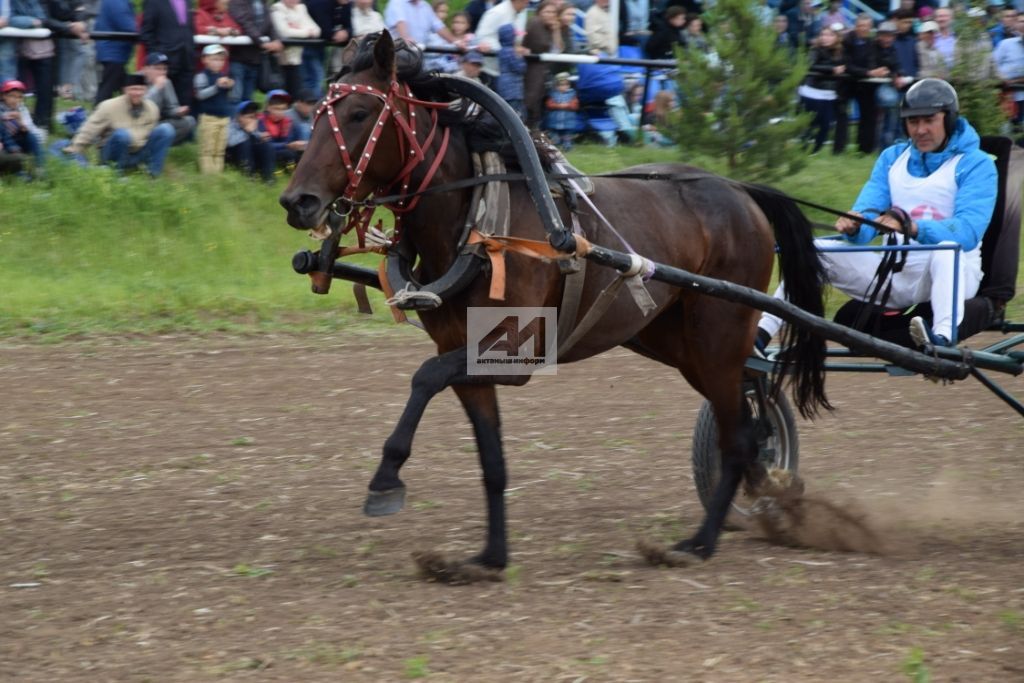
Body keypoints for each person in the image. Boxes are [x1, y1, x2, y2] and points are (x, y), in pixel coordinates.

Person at [755, 79, 997, 353]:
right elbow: (868, 213)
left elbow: (967, 231)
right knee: (817, 250)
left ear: (950, 118)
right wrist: (856, 226)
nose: (920, 130)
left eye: (929, 120)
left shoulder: (976, 164)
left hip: (954, 274)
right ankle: (760, 336)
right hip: (896, 276)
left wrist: (911, 227)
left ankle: (942, 339)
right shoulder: (892, 158)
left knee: (944, 250)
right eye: (912, 122)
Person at [60, 73, 175, 177]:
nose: (137, 93)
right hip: (112, 151)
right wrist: (75, 148)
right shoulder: (108, 106)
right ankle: (116, 174)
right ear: (125, 90)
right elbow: (90, 129)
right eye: (133, 89)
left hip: (139, 152)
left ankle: (153, 174)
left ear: (145, 90)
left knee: (166, 129)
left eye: (140, 89)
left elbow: (153, 134)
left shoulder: (152, 108)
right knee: (122, 135)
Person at [140, 0, 195, 109]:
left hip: (186, 58)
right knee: (162, 103)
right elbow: (146, 31)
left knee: (184, 104)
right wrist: (156, 59)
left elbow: (189, 28)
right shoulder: (153, 2)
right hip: (164, 61)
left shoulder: (188, 1)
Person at [799, 24, 844, 154]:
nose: (826, 38)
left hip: (829, 94)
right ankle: (802, 148)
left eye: (830, 35)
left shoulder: (839, 53)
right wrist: (831, 70)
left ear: (836, 37)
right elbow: (811, 66)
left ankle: (816, 150)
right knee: (810, 123)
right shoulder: (815, 50)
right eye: (823, 35)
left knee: (826, 124)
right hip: (812, 93)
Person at [228, 0, 284, 102]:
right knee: (235, 98)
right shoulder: (236, 2)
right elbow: (245, 22)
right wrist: (262, 42)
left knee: (248, 99)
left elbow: (270, 25)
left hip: (255, 58)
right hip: (238, 58)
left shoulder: (264, 3)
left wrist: (276, 40)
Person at [193, 43, 235, 172]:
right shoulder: (201, 76)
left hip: (224, 118)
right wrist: (216, 87)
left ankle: (218, 173)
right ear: (205, 59)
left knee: (220, 149)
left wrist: (230, 86)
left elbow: (229, 96)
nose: (218, 63)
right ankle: (208, 177)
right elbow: (200, 95)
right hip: (209, 118)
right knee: (208, 149)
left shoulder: (224, 77)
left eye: (221, 60)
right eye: (214, 59)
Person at [522, 0, 563, 127]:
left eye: (553, 12)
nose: (551, 15)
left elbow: (559, 49)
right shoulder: (535, 22)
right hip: (531, 70)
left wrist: (556, 30)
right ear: (539, 12)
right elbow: (542, 47)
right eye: (547, 12)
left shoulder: (549, 28)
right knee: (530, 104)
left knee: (537, 105)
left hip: (542, 72)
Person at [270, 0, 321, 98]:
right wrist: (306, 31)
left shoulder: (301, 8)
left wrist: (297, 29)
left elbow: (317, 31)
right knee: (281, 94)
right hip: (281, 59)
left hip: (298, 59)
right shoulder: (276, 8)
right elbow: (284, 32)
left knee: (297, 94)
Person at [144, 52, 196, 146]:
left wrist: (178, 112)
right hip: (139, 124)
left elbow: (170, 108)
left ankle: (158, 145)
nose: (162, 72)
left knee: (189, 121)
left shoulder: (166, 82)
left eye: (164, 69)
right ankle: (147, 146)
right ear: (146, 69)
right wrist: (156, 88)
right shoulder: (136, 80)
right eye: (158, 68)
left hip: (158, 122)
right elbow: (140, 107)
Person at [93, 0, 137, 106]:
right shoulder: (117, 2)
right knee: (108, 89)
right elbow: (127, 25)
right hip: (114, 52)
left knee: (125, 86)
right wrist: (144, 32)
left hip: (113, 51)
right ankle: (98, 116)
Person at [473, 0, 527, 78]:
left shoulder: (522, 13)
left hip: (508, 70)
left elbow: (518, 38)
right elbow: (482, 38)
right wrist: (510, 50)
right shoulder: (496, 13)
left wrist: (519, 48)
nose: (528, 2)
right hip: (490, 71)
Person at [226, 99, 275, 182]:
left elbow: (255, 137)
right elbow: (230, 142)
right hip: (234, 157)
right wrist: (247, 131)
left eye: (255, 117)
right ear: (239, 117)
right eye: (250, 117)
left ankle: (268, 177)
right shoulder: (230, 125)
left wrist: (261, 137)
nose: (253, 120)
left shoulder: (252, 125)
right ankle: (249, 177)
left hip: (250, 157)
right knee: (245, 143)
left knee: (266, 145)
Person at [0, 79, 44, 168]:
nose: (16, 100)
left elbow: (29, 130)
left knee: (31, 138)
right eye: (12, 96)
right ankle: (17, 168)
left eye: (20, 97)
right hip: (3, 142)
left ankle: (39, 166)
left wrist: (20, 121)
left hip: (16, 139)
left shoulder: (22, 109)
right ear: (3, 96)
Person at [259, 88, 305, 167]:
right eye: (276, 109)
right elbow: (264, 146)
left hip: (287, 152)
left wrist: (300, 145)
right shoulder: (260, 122)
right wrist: (286, 145)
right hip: (267, 153)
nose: (280, 112)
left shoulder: (290, 123)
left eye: (283, 109)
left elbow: (297, 141)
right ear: (267, 107)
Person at [495, 23, 526, 120]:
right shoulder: (511, 52)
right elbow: (520, 67)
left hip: (504, 85)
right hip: (512, 89)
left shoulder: (502, 51)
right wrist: (520, 57)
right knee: (515, 114)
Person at [544, 71, 578, 149]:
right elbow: (549, 105)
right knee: (554, 136)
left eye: (566, 85)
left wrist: (567, 105)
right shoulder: (553, 94)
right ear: (556, 86)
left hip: (568, 121)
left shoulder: (572, 94)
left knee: (567, 136)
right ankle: (554, 146)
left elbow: (575, 106)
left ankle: (567, 146)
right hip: (554, 121)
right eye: (561, 85)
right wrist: (559, 106)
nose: (564, 87)